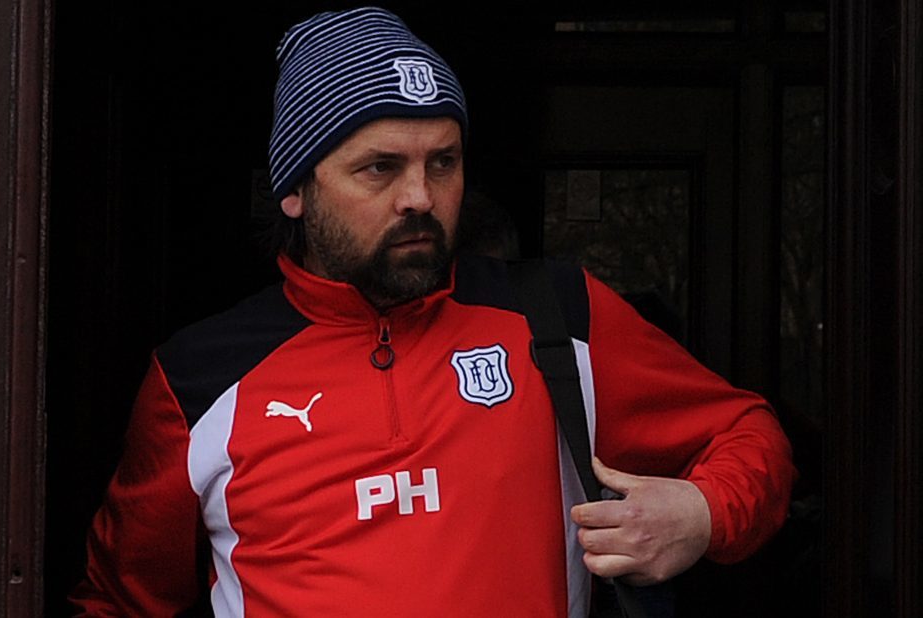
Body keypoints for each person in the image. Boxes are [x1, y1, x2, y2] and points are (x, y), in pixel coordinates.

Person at [70, 7, 794, 617]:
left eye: (442, 162)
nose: (420, 195)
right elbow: (117, 602)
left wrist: (701, 515)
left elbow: (749, 432)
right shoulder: (199, 380)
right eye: (379, 167)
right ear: (295, 189)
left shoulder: (553, 315)